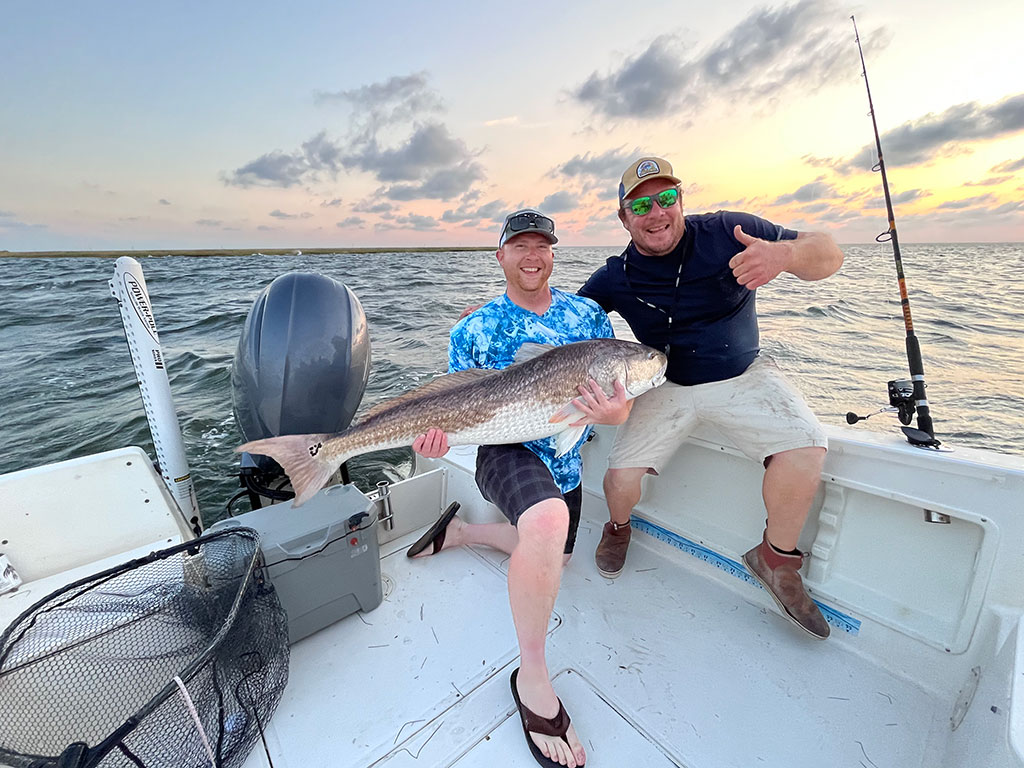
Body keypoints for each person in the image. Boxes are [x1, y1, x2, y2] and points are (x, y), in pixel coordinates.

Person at [578, 156, 844, 640]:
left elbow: (827, 253)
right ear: (623, 218)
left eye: (666, 198)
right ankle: (617, 528)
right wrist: (507, 307)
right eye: (641, 205)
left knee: (806, 447)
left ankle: (776, 559)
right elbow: (565, 322)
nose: (656, 212)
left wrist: (784, 257)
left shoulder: (728, 231)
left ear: (681, 200)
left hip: (743, 374)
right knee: (619, 480)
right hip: (663, 382)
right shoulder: (615, 274)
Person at [407, 208, 631, 768]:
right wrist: (434, 440)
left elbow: (615, 403)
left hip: (563, 458)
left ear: (553, 254)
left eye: (543, 245)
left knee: (556, 554)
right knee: (548, 523)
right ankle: (532, 677)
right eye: (520, 245)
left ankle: (461, 533)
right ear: (500, 255)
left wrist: (618, 411)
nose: (533, 255)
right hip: (505, 452)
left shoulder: (588, 316)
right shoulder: (474, 328)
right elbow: (453, 405)